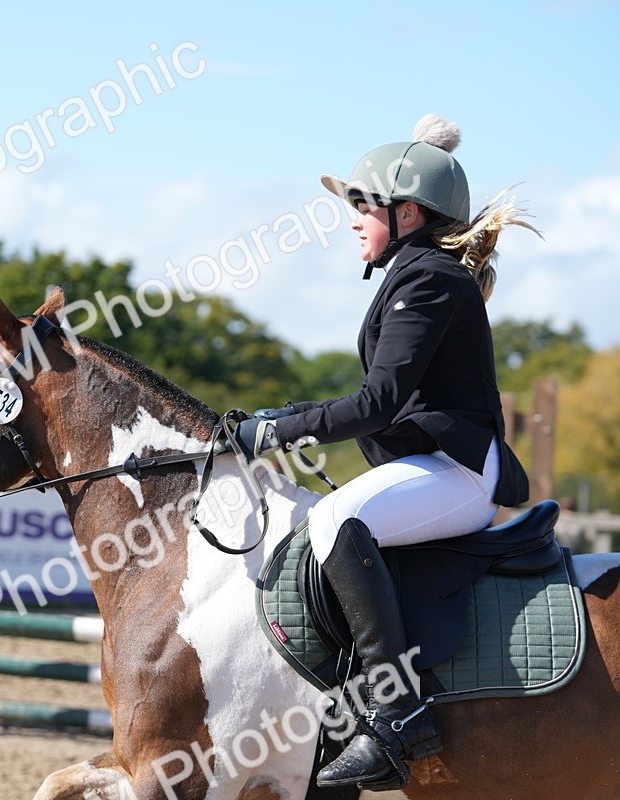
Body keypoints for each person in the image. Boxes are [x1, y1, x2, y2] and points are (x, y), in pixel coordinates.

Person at [233, 115, 533, 792]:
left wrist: (274, 432)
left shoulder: (428, 280)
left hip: (457, 472)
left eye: (362, 206)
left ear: (406, 212)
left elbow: (378, 403)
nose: (352, 220)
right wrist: (276, 418)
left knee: (336, 521)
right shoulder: (417, 273)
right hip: (436, 465)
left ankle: (399, 714)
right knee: (338, 517)